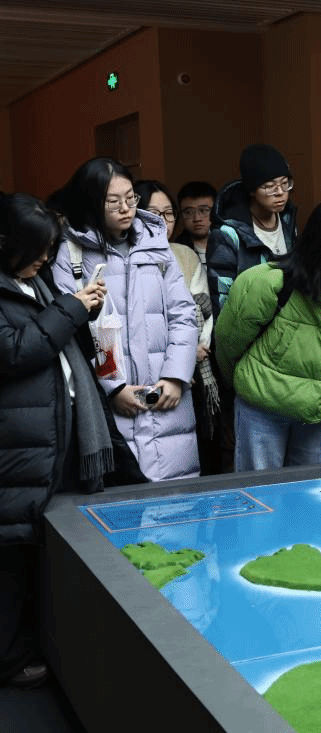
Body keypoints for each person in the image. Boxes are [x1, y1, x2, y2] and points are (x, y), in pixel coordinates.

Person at [0, 193, 114, 688]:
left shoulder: (31, 281)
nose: (46, 259)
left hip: (48, 441)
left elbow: (56, 341)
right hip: (17, 446)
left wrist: (82, 309)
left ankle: (35, 645)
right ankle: (8, 660)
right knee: (12, 560)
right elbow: (17, 351)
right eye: (38, 250)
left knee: (39, 554)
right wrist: (70, 306)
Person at [53, 158, 200, 482]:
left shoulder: (156, 244)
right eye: (113, 201)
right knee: (123, 502)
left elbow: (184, 314)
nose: (126, 208)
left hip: (168, 399)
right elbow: (76, 331)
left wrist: (176, 376)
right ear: (90, 202)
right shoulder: (71, 254)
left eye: (131, 198)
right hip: (111, 408)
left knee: (179, 502)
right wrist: (114, 387)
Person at [214, 201, 321, 470]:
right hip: (263, 408)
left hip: (317, 413)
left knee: (313, 490)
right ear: (316, 246)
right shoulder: (267, 283)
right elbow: (228, 342)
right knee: (262, 490)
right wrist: (240, 383)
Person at [135, 180, 222, 475]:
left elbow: (203, 308)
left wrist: (198, 346)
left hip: (193, 368)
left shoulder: (183, 254)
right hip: (147, 373)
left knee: (196, 446)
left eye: (168, 213)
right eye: (153, 213)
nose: (162, 221)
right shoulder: (124, 260)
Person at [207, 144, 298, 313]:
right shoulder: (228, 234)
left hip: (288, 322)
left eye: (285, 183)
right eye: (270, 186)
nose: (280, 192)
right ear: (251, 190)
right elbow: (222, 300)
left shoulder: (287, 219)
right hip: (248, 322)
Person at [176, 181, 217, 265]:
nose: (197, 218)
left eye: (203, 210)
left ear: (216, 210)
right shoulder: (175, 251)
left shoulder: (231, 245)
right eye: (188, 212)